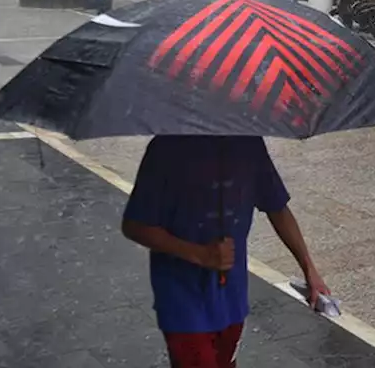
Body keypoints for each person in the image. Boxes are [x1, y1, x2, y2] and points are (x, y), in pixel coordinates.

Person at [122, 135, 330, 368]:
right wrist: (199, 254)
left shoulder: (250, 144)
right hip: (182, 298)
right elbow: (135, 225)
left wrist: (309, 268)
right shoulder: (166, 148)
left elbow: (277, 207)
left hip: (232, 296)